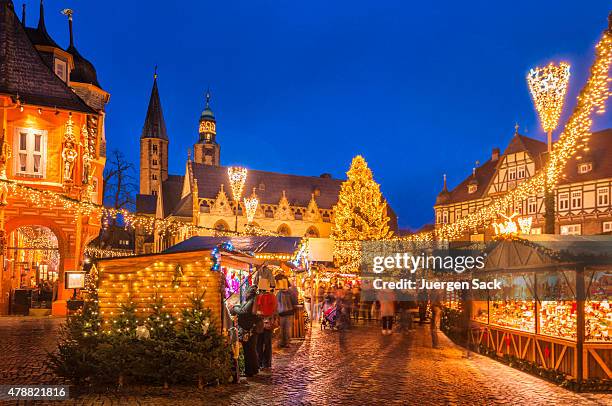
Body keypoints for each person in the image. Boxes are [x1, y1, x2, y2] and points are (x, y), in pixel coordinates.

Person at [231, 285, 260, 377]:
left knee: (248, 350)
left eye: (246, 292)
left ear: (249, 293)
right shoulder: (252, 301)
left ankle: (249, 371)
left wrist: (234, 307)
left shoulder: (251, 301)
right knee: (251, 349)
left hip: (247, 329)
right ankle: (254, 369)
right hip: (250, 329)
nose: (245, 294)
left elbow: (243, 311)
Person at [255, 279, 277, 369]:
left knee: (259, 343)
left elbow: (257, 309)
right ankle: (267, 363)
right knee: (267, 344)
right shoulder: (273, 297)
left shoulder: (259, 297)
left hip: (260, 322)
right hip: (269, 323)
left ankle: (259, 362)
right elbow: (275, 309)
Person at [275, 277, 295, 348]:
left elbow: (276, 303)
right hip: (289, 312)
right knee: (287, 328)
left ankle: (283, 342)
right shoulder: (290, 292)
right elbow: (294, 301)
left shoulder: (278, 293)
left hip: (282, 313)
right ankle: (286, 342)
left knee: (282, 328)